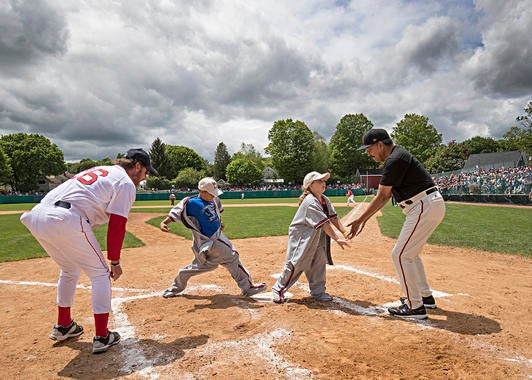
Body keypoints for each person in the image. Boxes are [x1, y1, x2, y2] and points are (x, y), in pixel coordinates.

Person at [20, 148, 158, 353]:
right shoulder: (126, 183)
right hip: (66, 217)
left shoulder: (102, 169)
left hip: (37, 216)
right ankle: (102, 336)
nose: (145, 177)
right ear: (137, 166)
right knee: (101, 274)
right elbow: (117, 225)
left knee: (69, 270)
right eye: (146, 171)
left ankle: (64, 325)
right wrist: (115, 261)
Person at [346, 129, 445, 319]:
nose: (369, 153)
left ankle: (415, 306)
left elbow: (383, 195)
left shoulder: (395, 159)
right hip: (426, 204)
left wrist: (361, 220)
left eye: (370, 148)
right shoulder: (398, 155)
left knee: (400, 255)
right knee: (410, 254)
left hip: (423, 205)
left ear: (380, 144)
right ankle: (425, 298)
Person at [160, 177, 267, 298]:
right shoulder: (191, 202)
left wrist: (219, 223)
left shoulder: (213, 200)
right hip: (210, 239)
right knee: (232, 257)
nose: (213, 196)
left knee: (201, 266)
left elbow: (216, 214)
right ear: (202, 191)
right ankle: (248, 288)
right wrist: (164, 222)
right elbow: (176, 212)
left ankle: (174, 289)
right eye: (211, 193)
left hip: (213, 238)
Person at [272, 171, 350, 304]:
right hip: (302, 236)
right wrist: (337, 239)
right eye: (319, 181)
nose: (323, 183)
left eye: (323, 181)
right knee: (296, 263)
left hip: (317, 234)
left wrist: (345, 233)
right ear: (310, 185)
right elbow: (325, 224)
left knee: (318, 262)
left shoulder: (324, 199)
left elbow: (333, 217)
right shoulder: (310, 202)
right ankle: (278, 289)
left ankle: (318, 292)